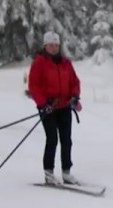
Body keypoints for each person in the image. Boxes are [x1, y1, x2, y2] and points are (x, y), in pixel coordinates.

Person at [27, 31, 82, 185]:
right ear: (45, 46)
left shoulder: (65, 63)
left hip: (64, 106)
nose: (54, 48)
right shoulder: (39, 62)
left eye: (57, 45)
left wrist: (74, 96)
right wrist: (43, 104)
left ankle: (66, 172)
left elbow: (75, 82)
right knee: (52, 139)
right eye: (51, 45)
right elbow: (34, 87)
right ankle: (49, 173)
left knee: (67, 140)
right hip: (48, 108)